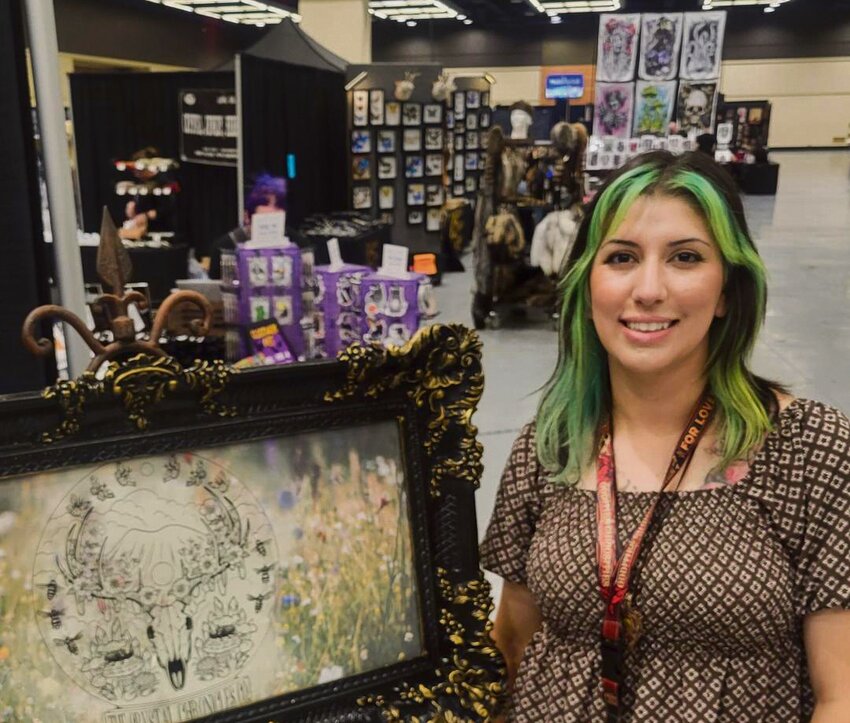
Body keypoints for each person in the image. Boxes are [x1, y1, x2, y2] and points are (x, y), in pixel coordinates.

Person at [481, 151, 850, 721]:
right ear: (587, 284)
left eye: (685, 257)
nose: (648, 289)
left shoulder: (812, 447)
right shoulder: (551, 443)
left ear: (728, 287)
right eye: (622, 257)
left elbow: (840, 697)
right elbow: (510, 647)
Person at [205, 174, 288, 278]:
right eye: (263, 221)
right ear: (247, 218)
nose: (269, 229)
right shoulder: (224, 248)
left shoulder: (299, 245)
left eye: (276, 222)